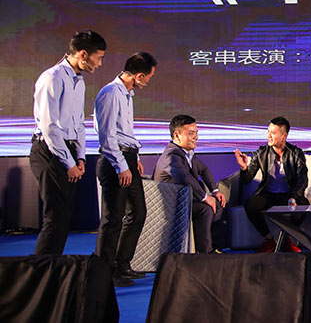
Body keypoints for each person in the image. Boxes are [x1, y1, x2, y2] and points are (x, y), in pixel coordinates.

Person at [29, 30, 107, 255]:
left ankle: (52, 266)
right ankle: (41, 269)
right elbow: (49, 126)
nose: (100, 63)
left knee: (63, 218)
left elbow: (79, 123)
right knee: (55, 216)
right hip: (49, 151)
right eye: (98, 57)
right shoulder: (52, 77)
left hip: (69, 152)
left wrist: (80, 157)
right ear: (83, 54)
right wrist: (69, 162)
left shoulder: (78, 81)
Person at [94, 52, 157, 287]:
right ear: (139, 75)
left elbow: (126, 132)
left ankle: (123, 264)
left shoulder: (127, 94)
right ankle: (104, 271)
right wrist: (121, 165)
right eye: (148, 77)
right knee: (113, 219)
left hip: (128, 158)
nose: (148, 81)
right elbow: (108, 136)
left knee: (138, 213)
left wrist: (134, 158)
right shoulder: (111, 93)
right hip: (114, 161)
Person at [234, 116, 309, 253]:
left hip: (289, 195)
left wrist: (294, 197)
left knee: (303, 204)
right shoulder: (261, 153)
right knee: (250, 205)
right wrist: (244, 168)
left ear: (284, 136)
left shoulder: (296, 153)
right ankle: (269, 240)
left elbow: (302, 179)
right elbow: (247, 179)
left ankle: (286, 240)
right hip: (268, 195)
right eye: (268, 131)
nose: (268, 136)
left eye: (273, 133)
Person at [154, 115, 226, 254]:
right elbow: (184, 177)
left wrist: (215, 191)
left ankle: (216, 249)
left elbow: (203, 170)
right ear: (177, 135)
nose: (196, 137)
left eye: (196, 133)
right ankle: (205, 253)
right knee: (204, 209)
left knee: (218, 204)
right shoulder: (172, 156)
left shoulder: (187, 153)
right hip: (170, 205)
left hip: (184, 201)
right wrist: (205, 197)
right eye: (191, 133)